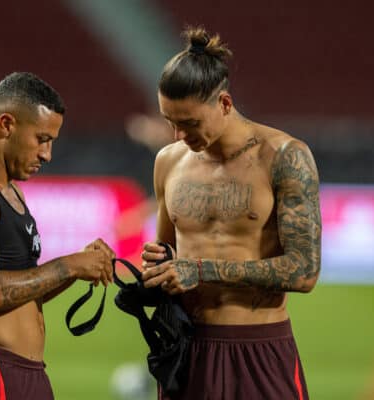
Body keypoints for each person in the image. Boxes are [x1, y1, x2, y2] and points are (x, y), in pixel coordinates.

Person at [141, 27, 321, 400]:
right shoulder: (168, 162)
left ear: (224, 103)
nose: (178, 135)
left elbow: (304, 271)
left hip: (259, 350)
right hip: (187, 351)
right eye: (170, 121)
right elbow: (166, 254)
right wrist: (157, 269)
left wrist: (199, 270)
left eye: (190, 123)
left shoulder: (285, 156)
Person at [0, 72, 115, 399]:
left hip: (25, 375)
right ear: (6, 124)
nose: (47, 154)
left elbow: (23, 293)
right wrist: (70, 266)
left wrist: (81, 267)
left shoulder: (13, 194)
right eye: (42, 139)